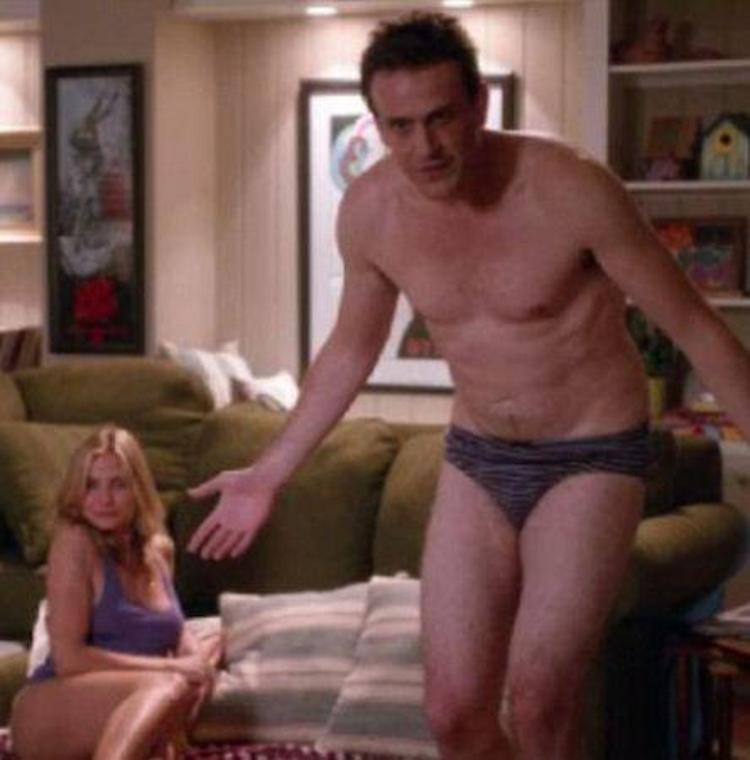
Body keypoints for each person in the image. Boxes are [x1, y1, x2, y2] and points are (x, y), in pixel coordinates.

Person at [187, 12, 750, 760]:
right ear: (378, 125)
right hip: (479, 457)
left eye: (441, 118)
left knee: (541, 695)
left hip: (591, 456)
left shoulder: (570, 187)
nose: (425, 146)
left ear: (478, 102)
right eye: (400, 127)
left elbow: (696, 328)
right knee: (453, 711)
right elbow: (350, 350)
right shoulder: (371, 212)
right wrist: (269, 473)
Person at [10, 426, 220, 760]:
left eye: (118, 485)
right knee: (170, 686)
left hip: (137, 704)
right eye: (91, 485)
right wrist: (173, 668)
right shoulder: (74, 540)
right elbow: (69, 660)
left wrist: (194, 659)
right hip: (52, 708)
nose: (104, 500)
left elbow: (175, 630)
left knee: (207, 655)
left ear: (138, 488)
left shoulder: (159, 551)